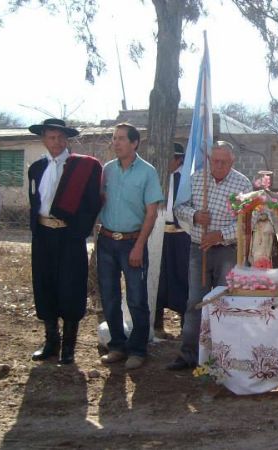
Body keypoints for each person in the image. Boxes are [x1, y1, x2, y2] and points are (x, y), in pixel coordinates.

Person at [166, 141, 252, 371]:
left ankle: (223, 356)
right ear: (209, 160)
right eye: (216, 161)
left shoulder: (242, 184)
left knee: (225, 302)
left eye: (224, 161)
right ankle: (189, 354)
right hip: (198, 249)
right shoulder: (197, 179)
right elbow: (178, 207)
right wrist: (195, 216)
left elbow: (246, 223)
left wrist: (220, 234)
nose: (219, 165)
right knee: (195, 301)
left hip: (227, 250)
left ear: (232, 161)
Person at [27, 118, 102, 364]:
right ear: (44, 139)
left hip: (70, 236)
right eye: (51, 137)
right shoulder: (36, 168)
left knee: (71, 287)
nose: (56, 142)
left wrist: (78, 232)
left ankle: (69, 347)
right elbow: (34, 201)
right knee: (45, 284)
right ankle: (51, 341)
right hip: (43, 235)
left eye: (60, 137)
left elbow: (92, 203)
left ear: (66, 139)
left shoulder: (82, 167)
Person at [98, 123, 164, 370]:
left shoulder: (147, 172)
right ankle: (117, 345)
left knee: (136, 298)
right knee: (110, 296)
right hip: (106, 241)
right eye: (114, 138)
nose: (116, 142)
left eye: (122, 139)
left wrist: (139, 246)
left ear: (135, 143)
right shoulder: (107, 170)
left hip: (132, 243)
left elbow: (151, 214)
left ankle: (137, 349)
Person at [154, 143, 190, 339]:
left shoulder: (186, 180)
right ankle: (157, 321)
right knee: (159, 276)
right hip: (160, 233)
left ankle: (186, 322)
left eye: (169, 158)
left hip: (181, 234)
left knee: (182, 276)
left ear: (178, 159)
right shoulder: (159, 177)